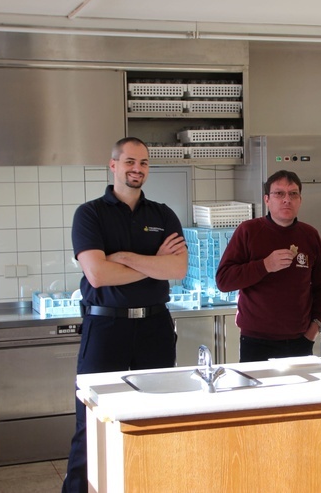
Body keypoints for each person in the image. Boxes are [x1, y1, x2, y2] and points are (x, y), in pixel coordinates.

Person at [61, 137, 188, 493]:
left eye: (144, 163)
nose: (137, 169)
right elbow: (98, 275)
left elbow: (177, 269)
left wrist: (125, 258)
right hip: (106, 326)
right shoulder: (90, 214)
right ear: (113, 165)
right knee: (91, 421)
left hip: (154, 327)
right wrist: (153, 264)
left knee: (156, 417)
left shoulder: (162, 214)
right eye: (130, 161)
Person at [215, 170, 321, 362]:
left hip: (300, 340)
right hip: (256, 341)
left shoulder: (309, 235)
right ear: (267, 200)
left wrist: (315, 327)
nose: (287, 199)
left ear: (300, 200)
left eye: (293, 194)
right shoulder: (248, 231)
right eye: (279, 193)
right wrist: (265, 265)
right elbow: (224, 280)